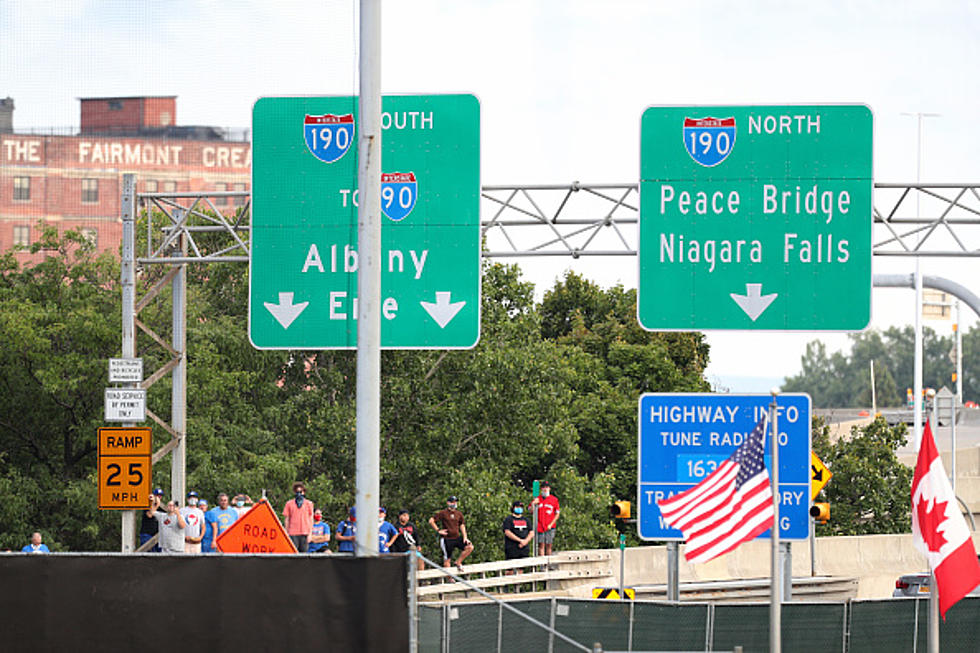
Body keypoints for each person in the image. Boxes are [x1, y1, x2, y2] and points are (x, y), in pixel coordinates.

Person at [428, 495, 474, 571]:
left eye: (455, 502)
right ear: (448, 503)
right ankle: (450, 578)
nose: (454, 503)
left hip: (456, 537)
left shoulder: (459, 513)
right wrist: (438, 530)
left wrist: (465, 537)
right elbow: (431, 521)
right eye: (452, 502)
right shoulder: (443, 513)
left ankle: (458, 562)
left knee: (470, 547)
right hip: (447, 539)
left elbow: (462, 525)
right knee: (447, 559)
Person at [282, 481, 314, 553]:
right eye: (297, 491)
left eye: (301, 491)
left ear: (304, 492)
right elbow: (287, 519)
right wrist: (287, 533)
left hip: (305, 532)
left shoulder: (309, 503)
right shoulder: (289, 503)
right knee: (293, 553)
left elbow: (311, 519)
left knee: (304, 554)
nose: (299, 493)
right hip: (293, 533)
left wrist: (310, 534)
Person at [532, 481, 561, 556]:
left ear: (549, 488)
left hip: (550, 527)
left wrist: (551, 524)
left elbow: (557, 513)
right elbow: (531, 510)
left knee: (549, 545)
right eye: (543, 487)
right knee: (541, 545)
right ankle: (542, 566)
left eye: (547, 487)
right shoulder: (537, 499)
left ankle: (548, 564)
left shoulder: (554, 500)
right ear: (541, 489)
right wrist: (533, 504)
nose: (545, 489)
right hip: (540, 526)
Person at [502, 501, 533, 568]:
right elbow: (507, 532)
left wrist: (525, 541)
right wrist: (520, 540)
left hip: (524, 549)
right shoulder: (508, 519)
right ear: (513, 508)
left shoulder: (526, 520)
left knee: (521, 568)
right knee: (510, 569)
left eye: (521, 507)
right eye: (517, 507)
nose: (519, 508)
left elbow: (531, 532)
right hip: (512, 548)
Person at [139, 487, 166, 552]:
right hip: (147, 535)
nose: (158, 498)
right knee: (147, 554)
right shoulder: (148, 505)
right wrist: (156, 505)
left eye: (160, 496)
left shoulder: (162, 509)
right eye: (157, 496)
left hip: (158, 536)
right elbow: (149, 515)